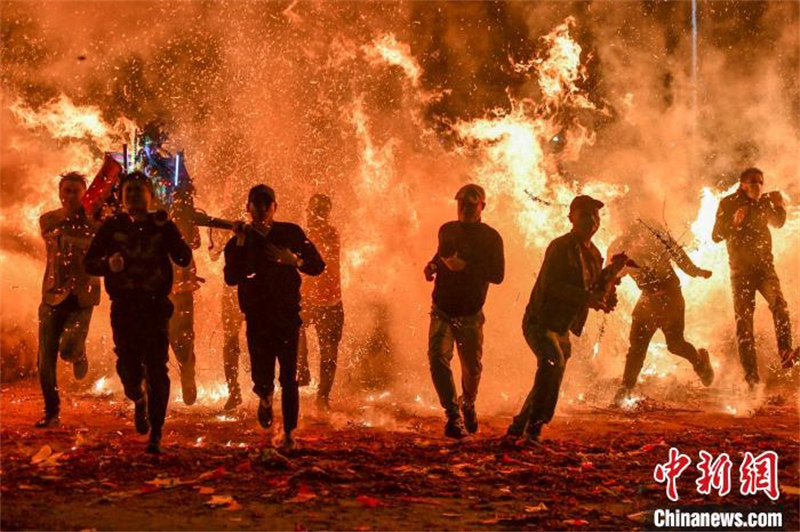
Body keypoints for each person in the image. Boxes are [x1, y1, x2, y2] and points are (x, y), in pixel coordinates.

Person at [85, 172, 192, 453]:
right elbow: (89, 263)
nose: (133, 195)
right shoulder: (112, 226)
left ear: (150, 195)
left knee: (158, 368)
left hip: (156, 306)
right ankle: (138, 398)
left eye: (138, 190)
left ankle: (156, 432)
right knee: (128, 366)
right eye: (128, 191)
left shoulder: (161, 225)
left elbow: (183, 257)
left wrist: (170, 228)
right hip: (124, 307)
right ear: (120, 197)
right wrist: (109, 264)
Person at [508, 195, 618, 442]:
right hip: (540, 322)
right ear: (572, 218)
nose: (592, 219)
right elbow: (550, 285)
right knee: (552, 364)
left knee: (549, 375)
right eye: (586, 214)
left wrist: (607, 298)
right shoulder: (560, 247)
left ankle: (520, 425)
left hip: (563, 327)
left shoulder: (594, 254)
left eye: (596, 215)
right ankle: (534, 429)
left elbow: (596, 287)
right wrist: (586, 298)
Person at [224, 185, 325, 450]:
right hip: (257, 318)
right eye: (256, 204)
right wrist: (242, 243)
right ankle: (265, 397)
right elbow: (231, 278)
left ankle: (290, 433)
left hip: (287, 317)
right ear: (248, 208)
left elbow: (318, 265)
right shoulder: (237, 241)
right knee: (262, 375)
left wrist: (294, 261)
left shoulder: (290, 233)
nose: (261, 209)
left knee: (289, 377)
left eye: (266, 204)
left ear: (274, 207)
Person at [424, 184, 504, 439]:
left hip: (470, 313)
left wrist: (466, 266)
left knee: (472, 368)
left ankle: (468, 402)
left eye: (471, 204)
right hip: (442, 309)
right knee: (438, 358)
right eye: (461, 204)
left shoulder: (491, 238)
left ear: (482, 206)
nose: (465, 209)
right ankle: (452, 415)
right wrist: (432, 265)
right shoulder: (447, 230)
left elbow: (498, 275)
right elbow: (441, 255)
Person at [609, 220, 715, 405]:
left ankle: (700, 362)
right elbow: (610, 276)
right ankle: (625, 389)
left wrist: (696, 271)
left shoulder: (655, 234)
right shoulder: (618, 247)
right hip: (647, 299)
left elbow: (679, 255)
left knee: (675, 344)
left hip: (670, 298)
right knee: (636, 348)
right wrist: (607, 289)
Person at [712, 167, 798, 386]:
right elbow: (716, 236)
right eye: (752, 182)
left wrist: (779, 205)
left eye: (760, 182)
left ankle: (786, 352)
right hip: (741, 272)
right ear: (742, 184)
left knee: (779, 305)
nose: (757, 186)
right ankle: (751, 377)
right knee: (744, 323)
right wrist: (734, 222)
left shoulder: (765, 201)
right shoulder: (728, 203)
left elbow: (777, 223)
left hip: (765, 268)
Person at [35, 172, 101, 428]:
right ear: (60, 193)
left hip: (82, 296)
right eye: (67, 191)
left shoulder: (95, 225)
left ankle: (78, 354)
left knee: (67, 350)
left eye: (77, 191)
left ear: (85, 194)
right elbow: (57, 239)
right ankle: (52, 412)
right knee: (45, 358)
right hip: (52, 295)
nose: (72, 195)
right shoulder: (48, 220)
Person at [297, 194, 344, 410]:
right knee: (295, 328)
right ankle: (302, 367)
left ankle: (323, 397)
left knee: (329, 351)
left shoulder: (329, 234)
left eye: (319, 210)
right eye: (313, 210)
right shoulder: (303, 234)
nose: (314, 214)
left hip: (330, 301)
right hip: (307, 299)